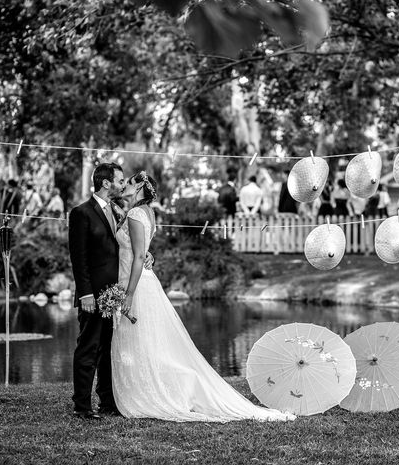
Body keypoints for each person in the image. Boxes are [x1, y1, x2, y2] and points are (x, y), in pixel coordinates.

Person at [111, 171, 295, 422]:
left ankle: (148, 393)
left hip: (134, 283)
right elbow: (142, 251)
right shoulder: (148, 213)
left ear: (141, 185)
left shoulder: (134, 214)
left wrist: (129, 295)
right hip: (144, 281)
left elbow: (139, 256)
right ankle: (157, 387)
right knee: (149, 341)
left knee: (141, 340)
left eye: (129, 182)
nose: (124, 186)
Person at [68, 163, 152, 420]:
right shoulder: (81, 213)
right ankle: (81, 405)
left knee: (108, 350)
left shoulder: (117, 211)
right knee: (88, 348)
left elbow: (126, 246)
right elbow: (78, 257)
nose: (122, 183)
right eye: (119, 180)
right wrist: (85, 294)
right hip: (92, 295)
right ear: (106, 183)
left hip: (112, 293)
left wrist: (146, 254)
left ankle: (107, 402)